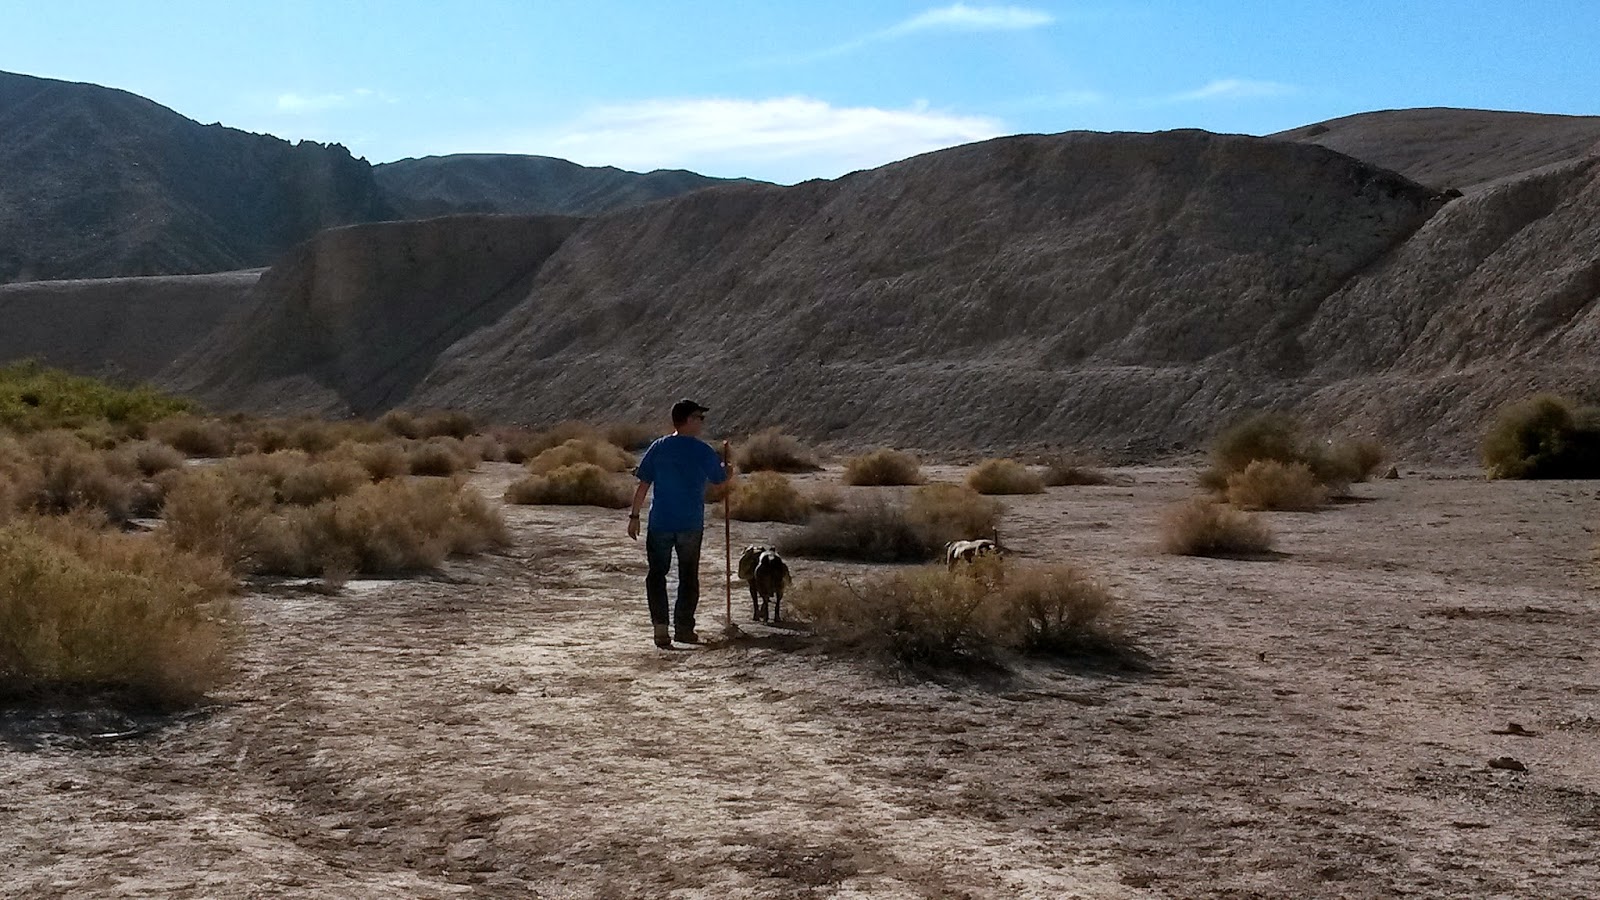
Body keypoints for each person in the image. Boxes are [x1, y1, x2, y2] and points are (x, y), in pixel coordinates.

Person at [628, 399, 733, 648]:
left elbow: (644, 484)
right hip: (690, 523)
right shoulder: (702, 450)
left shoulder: (659, 447)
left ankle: (661, 628)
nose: (702, 423)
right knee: (688, 576)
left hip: (660, 522)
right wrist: (728, 469)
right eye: (699, 418)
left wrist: (634, 516)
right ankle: (684, 629)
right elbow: (719, 479)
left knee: (657, 575)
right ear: (688, 420)